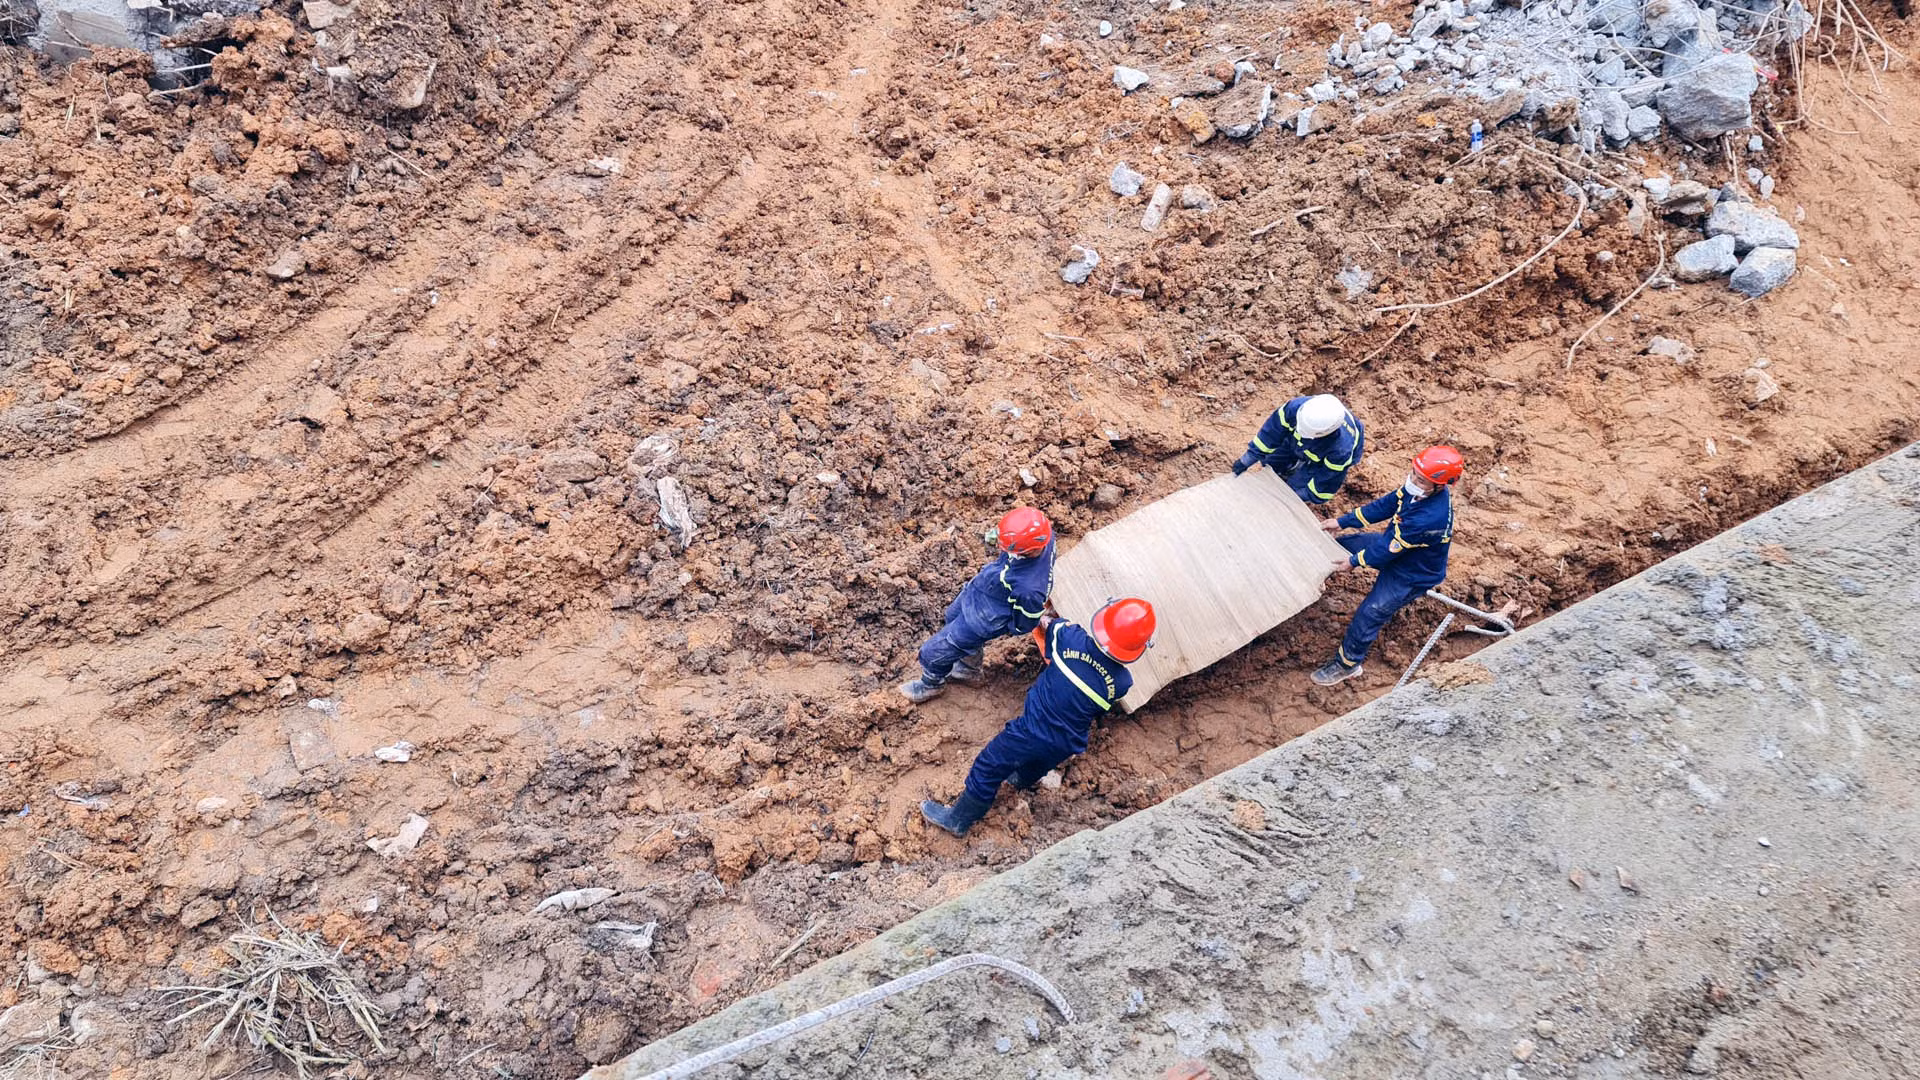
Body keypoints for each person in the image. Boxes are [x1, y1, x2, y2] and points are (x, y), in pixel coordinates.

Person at [921, 598, 1156, 836]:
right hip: (1067, 743)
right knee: (1037, 765)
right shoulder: (1122, 682)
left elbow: (1045, 623)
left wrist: (1044, 615)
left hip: (1029, 731)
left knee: (988, 766)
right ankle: (1018, 781)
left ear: (1103, 622)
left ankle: (959, 820)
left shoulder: (1069, 636)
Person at [1311, 445, 1463, 686]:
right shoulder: (1419, 491)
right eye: (1413, 473)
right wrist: (1342, 522)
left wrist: (1354, 562)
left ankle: (1348, 664)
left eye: (1420, 480)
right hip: (1397, 546)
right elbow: (1386, 505)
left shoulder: (1429, 518)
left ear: (1440, 485)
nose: (1413, 480)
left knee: (1371, 612)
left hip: (1411, 572)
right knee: (1346, 544)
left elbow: (1386, 550)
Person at [900, 507, 1057, 704]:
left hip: (988, 616)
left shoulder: (1029, 588)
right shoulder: (1044, 537)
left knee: (934, 651)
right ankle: (968, 670)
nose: (1005, 550)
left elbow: (1026, 621)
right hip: (982, 590)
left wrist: (1005, 627)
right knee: (952, 617)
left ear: (1029, 550)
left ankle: (932, 684)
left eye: (1009, 548)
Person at [1231, 393, 1364, 505]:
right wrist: (1247, 460)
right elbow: (1270, 434)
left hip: (1321, 459)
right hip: (1295, 441)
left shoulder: (1340, 449)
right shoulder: (1294, 408)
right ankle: (1290, 466)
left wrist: (1297, 497)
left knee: (1294, 489)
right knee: (1271, 462)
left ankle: (1300, 472)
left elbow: (1327, 480)